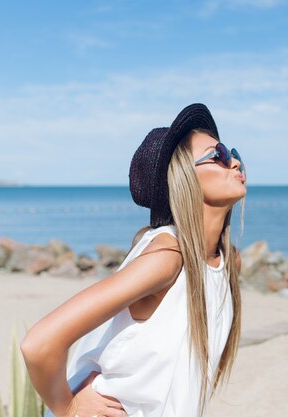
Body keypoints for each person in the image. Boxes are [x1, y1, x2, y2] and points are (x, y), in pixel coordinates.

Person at [21, 103, 246, 417]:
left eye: (232, 153)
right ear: (184, 178)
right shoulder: (168, 258)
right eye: (218, 155)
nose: (234, 161)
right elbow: (40, 343)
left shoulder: (225, 263)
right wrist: (68, 407)